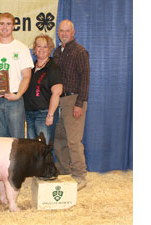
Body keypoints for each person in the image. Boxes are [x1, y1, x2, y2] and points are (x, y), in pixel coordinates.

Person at [53, 19, 90, 191]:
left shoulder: (80, 51)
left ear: (73, 32)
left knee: (74, 140)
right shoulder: (57, 52)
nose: (64, 34)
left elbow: (85, 80)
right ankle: (63, 169)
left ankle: (80, 175)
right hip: (58, 100)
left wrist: (79, 104)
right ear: (58, 32)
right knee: (59, 138)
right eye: (61, 31)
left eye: (67, 31)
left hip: (73, 99)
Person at [0, 13, 34, 138]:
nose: (4, 27)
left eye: (8, 24)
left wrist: (18, 95)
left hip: (14, 100)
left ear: (13, 26)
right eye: (1, 23)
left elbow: (27, 76)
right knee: (0, 141)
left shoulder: (22, 48)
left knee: (17, 141)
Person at [23, 34, 63, 144]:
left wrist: (50, 115)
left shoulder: (53, 68)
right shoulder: (30, 68)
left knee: (44, 149)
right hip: (29, 114)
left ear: (50, 49)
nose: (41, 49)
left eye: (45, 47)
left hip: (44, 114)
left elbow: (57, 93)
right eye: (39, 46)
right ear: (34, 49)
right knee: (32, 149)